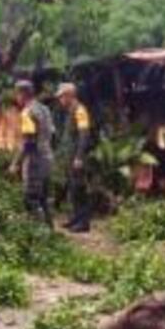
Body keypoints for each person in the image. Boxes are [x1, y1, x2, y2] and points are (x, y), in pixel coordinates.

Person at [8, 80, 55, 227]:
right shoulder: (45, 109)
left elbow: (28, 142)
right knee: (44, 199)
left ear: (22, 94)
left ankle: (38, 237)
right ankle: (50, 232)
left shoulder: (27, 112)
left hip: (35, 161)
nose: (16, 98)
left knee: (31, 199)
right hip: (48, 157)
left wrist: (15, 163)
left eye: (17, 94)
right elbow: (53, 133)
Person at [55, 83, 94, 232]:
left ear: (69, 95)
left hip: (77, 157)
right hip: (70, 157)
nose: (60, 99)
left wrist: (79, 157)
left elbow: (84, 134)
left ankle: (83, 223)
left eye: (62, 96)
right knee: (73, 189)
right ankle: (75, 219)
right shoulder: (70, 110)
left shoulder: (80, 110)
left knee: (79, 189)